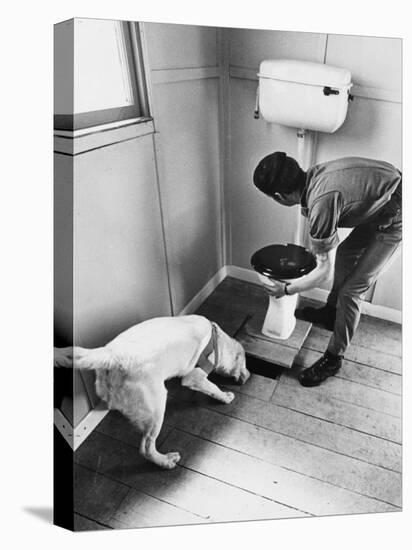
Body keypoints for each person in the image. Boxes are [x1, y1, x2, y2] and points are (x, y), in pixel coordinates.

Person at [253, 152, 402, 387]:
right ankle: (331, 313)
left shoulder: (321, 202)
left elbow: (325, 272)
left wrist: (287, 289)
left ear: (279, 196)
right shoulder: (314, 177)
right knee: (345, 253)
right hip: (383, 200)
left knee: (352, 292)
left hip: (396, 213)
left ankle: (334, 358)